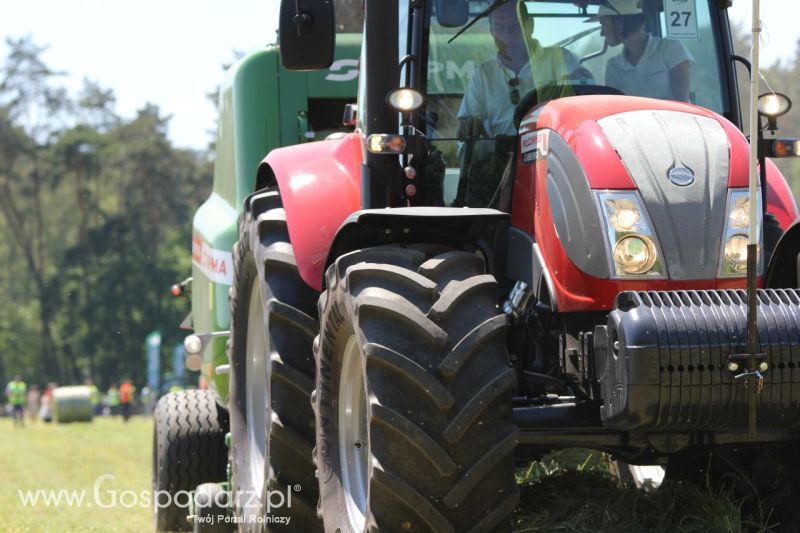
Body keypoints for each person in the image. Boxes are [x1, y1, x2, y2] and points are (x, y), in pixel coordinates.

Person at [458, 0, 591, 139]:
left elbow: (585, 85)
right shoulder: (483, 75)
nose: (508, 34)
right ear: (492, 32)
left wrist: (578, 81)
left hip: (548, 152)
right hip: (499, 156)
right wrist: (470, 127)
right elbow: (466, 126)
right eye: (500, 27)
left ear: (530, 25)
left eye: (515, 25)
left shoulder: (559, 59)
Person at [590, 0, 694, 102]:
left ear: (619, 22)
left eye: (603, 24)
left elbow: (682, 104)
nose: (602, 33)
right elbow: (613, 109)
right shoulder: (613, 66)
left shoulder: (671, 48)